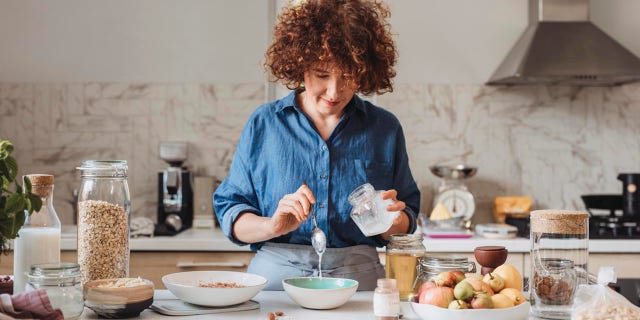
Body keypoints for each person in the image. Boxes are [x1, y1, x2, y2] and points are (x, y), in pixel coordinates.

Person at [213, 0, 420, 291]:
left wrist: (391, 222)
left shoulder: (384, 127)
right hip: (275, 274)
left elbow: (408, 217)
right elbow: (231, 212)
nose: (334, 91)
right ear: (300, 65)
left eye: (348, 76)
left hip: (359, 274)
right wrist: (272, 225)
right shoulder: (265, 124)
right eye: (322, 74)